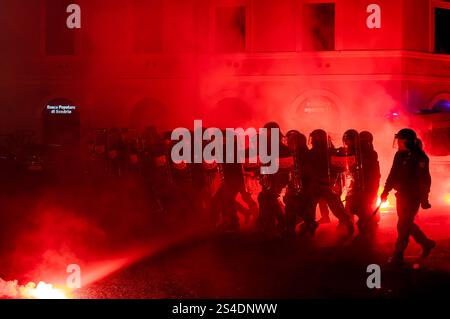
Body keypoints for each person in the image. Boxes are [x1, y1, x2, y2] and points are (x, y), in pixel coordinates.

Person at [380, 128, 435, 265]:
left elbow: (425, 179)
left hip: (413, 196)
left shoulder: (420, 157)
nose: (397, 143)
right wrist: (385, 191)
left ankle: (398, 254)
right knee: (406, 223)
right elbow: (393, 174)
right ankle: (426, 243)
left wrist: (424, 198)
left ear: (408, 141)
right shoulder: (399, 155)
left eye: (400, 140)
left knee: (403, 224)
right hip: (401, 195)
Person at [304, 129, 354, 236]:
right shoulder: (331, 152)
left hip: (319, 185)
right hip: (327, 184)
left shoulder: (311, 153)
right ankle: (347, 222)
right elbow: (340, 169)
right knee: (335, 207)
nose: (312, 141)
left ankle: (310, 226)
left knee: (311, 207)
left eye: (313, 139)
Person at [256, 122, 291, 234]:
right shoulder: (265, 147)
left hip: (279, 178)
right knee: (264, 197)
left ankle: (275, 222)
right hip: (268, 178)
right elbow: (263, 163)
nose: (267, 134)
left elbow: (285, 167)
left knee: (268, 197)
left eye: (269, 132)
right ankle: (270, 221)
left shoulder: (284, 149)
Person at [283, 130, 316, 238]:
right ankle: (294, 228)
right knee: (292, 205)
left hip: (304, 185)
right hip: (299, 185)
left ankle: (304, 226)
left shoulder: (303, 154)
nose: (288, 143)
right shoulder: (297, 153)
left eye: (290, 141)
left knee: (295, 205)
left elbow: (307, 172)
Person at [359, 131, 381, 227]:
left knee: (370, 202)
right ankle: (369, 219)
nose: (362, 143)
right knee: (366, 202)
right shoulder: (359, 152)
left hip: (371, 182)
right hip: (364, 182)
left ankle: (372, 220)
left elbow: (373, 170)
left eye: (364, 141)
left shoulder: (371, 153)